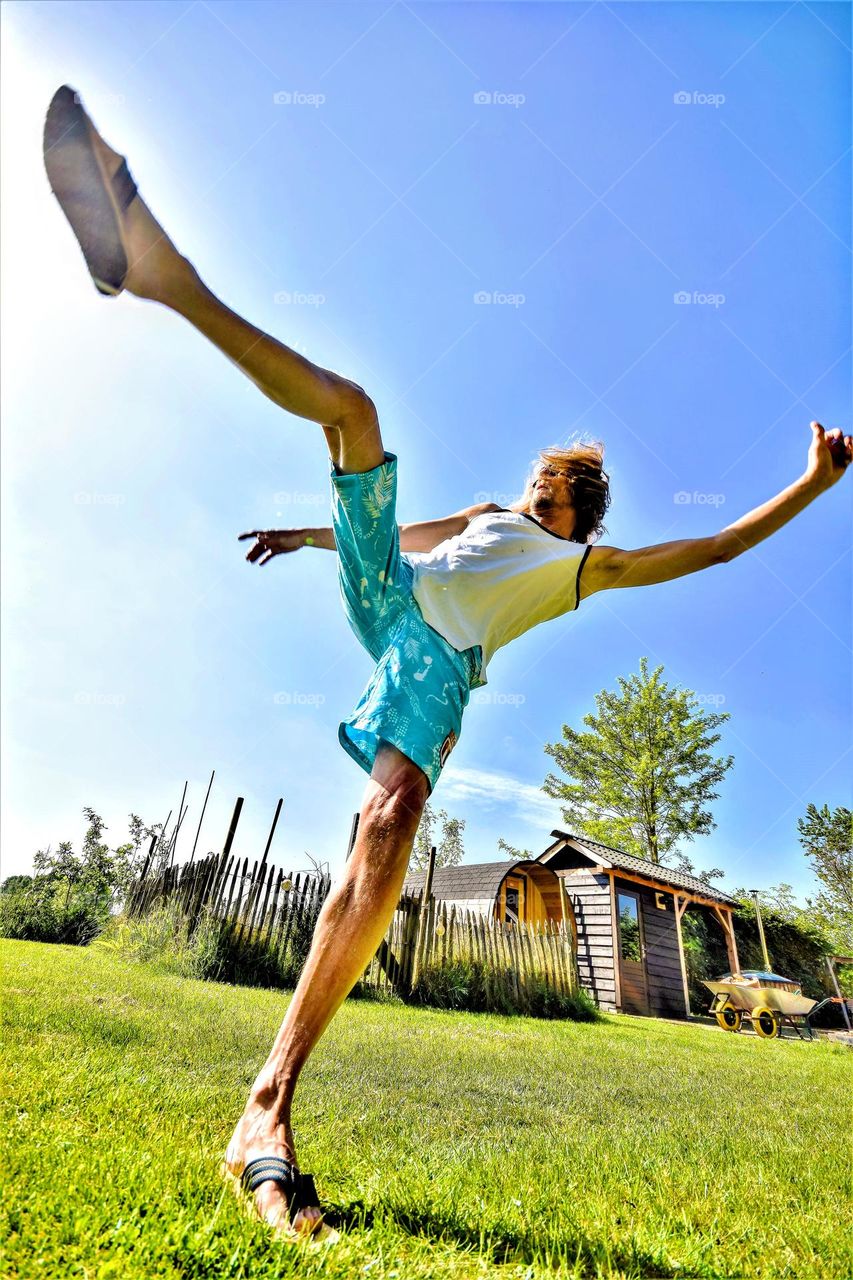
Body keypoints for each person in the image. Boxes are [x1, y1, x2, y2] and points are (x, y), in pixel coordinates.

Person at [42, 85, 852, 1244]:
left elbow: (712, 547)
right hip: (389, 595)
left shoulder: (581, 566)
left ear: (573, 507)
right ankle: (155, 269)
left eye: (545, 485)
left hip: (433, 664)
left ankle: (267, 1101)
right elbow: (400, 532)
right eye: (531, 477)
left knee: (389, 821)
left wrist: (811, 486)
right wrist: (306, 533)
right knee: (355, 411)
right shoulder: (482, 511)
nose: (527, 488)